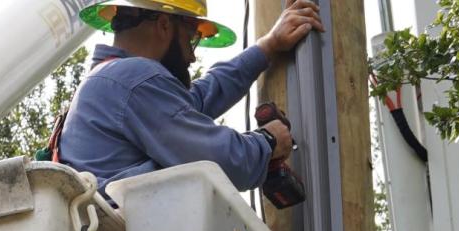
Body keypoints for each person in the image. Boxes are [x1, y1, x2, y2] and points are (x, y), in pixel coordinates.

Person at [56, 0, 324, 192]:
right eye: (191, 38)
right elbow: (215, 161)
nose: (192, 55)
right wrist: (266, 142)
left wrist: (268, 46)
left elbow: (197, 99)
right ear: (163, 25)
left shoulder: (112, 82)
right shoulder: (135, 79)